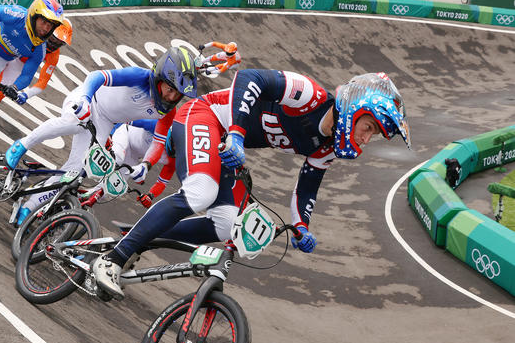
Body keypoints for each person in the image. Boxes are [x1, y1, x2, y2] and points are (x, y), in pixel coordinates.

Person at [92, 71, 411, 299]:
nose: (366, 139)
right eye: (368, 128)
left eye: (373, 135)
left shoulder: (325, 149)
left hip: (227, 145)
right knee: (201, 192)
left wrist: (301, 225)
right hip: (205, 117)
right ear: (355, 110)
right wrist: (237, 134)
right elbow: (248, 78)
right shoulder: (308, 94)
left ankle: (137, 237)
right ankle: (113, 259)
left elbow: (307, 186)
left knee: (225, 224)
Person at [2, 46, 198, 225]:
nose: (171, 98)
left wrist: (145, 166)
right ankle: (22, 145)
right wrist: (85, 99)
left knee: (74, 173)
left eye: (178, 94)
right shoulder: (139, 76)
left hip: (105, 123)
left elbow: (158, 143)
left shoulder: (167, 113)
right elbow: (97, 76)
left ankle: (29, 206)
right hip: (89, 100)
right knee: (72, 122)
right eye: (170, 89)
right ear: (159, 78)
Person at [0, 18, 73, 115]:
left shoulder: (53, 56)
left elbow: (42, 82)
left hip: (19, 64)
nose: (53, 45)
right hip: (9, 49)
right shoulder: (34, 27)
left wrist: (26, 95)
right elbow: (11, 19)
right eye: (53, 39)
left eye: (59, 43)